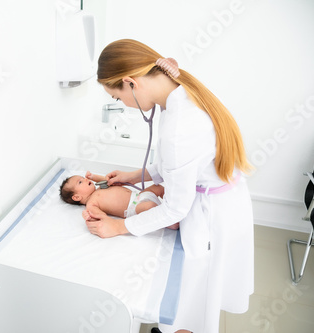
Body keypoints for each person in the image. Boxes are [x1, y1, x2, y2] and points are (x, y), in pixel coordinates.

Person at [85, 39, 254, 333]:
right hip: (224, 202)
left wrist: (118, 227)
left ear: (130, 83)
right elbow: (177, 166)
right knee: (192, 296)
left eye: (116, 97)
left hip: (212, 216)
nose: (121, 105)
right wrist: (133, 176)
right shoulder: (178, 97)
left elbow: (176, 207)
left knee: (194, 299)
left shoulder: (180, 127)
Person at [60, 171, 180, 229]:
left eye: (83, 178)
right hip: (134, 208)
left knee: (157, 187)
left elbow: (108, 181)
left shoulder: (99, 188)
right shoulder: (92, 203)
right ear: (76, 197)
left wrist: (94, 177)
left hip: (139, 195)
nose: (85, 180)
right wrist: (90, 216)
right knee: (150, 207)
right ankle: (172, 224)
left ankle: (177, 202)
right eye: (80, 182)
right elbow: (101, 216)